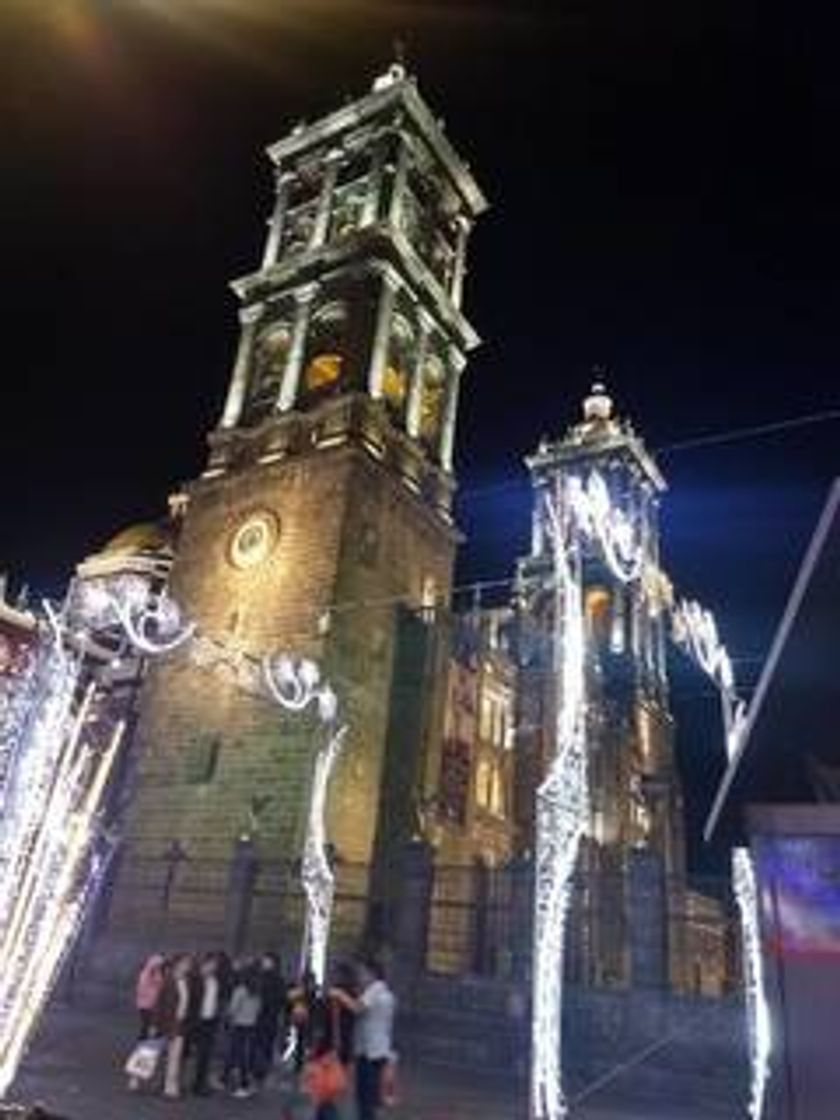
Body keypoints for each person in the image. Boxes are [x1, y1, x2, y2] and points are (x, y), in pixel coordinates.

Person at [332, 958, 396, 1120]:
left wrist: (339, 994)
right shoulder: (386, 992)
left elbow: (357, 1008)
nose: (360, 977)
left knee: (365, 1096)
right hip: (378, 1048)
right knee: (369, 1095)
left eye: (363, 973)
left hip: (370, 1050)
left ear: (372, 973)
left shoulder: (374, 990)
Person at [155, 954, 194, 1099]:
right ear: (177, 964)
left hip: (180, 1023)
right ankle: (136, 1078)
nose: (188, 967)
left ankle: (170, 1087)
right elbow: (159, 1004)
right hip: (167, 1023)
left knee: (175, 1057)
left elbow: (187, 1003)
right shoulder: (168, 980)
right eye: (185, 964)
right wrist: (154, 1024)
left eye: (188, 964)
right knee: (155, 1053)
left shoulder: (186, 981)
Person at [225, 963, 263, 1098]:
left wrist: (229, 1018)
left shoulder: (240, 990)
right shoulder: (257, 990)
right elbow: (259, 1010)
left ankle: (243, 1086)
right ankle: (246, 1083)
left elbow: (232, 1008)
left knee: (239, 1056)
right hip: (251, 1026)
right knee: (245, 1056)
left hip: (239, 1025)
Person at [192, 953, 222, 1096]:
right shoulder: (197, 979)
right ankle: (197, 1084)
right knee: (198, 1053)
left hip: (210, 1020)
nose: (214, 967)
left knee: (205, 1055)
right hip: (198, 1020)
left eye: (215, 965)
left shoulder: (214, 980)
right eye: (212, 964)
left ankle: (200, 1083)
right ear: (205, 963)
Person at [253, 952, 285, 1086]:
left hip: (262, 1016)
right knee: (266, 1045)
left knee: (259, 1044)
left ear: (272, 962)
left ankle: (258, 1071)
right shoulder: (280, 979)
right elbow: (282, 999)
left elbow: (261, 997)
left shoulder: (264, 977)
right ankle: (262, 1072)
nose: (263, 962)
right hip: (272, 1017)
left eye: (265, 960)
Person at [133, 954, 165, 1040]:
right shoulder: (146, 973)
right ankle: (144, 1039)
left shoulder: (158, 972)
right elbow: (141, 988)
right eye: (158, 964)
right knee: (147, 1023)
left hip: (154, 1002)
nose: (160, 966)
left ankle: (147, 1038)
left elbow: (160, 985)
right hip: (145, 1002)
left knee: (151, 1023)